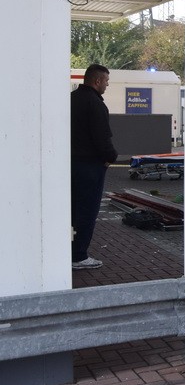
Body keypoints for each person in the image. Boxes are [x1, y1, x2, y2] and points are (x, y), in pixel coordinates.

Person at [70, 63, 118, 270]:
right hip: (90, 167)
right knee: (87, 211)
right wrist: (111, 157)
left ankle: (68, 250)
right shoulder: (95, 104)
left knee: (72, 210)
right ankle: (79, 256)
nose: (107, 85)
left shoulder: (71, 99)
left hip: (71, 164)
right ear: (97, 80)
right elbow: (102, 138)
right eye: (106, 81)